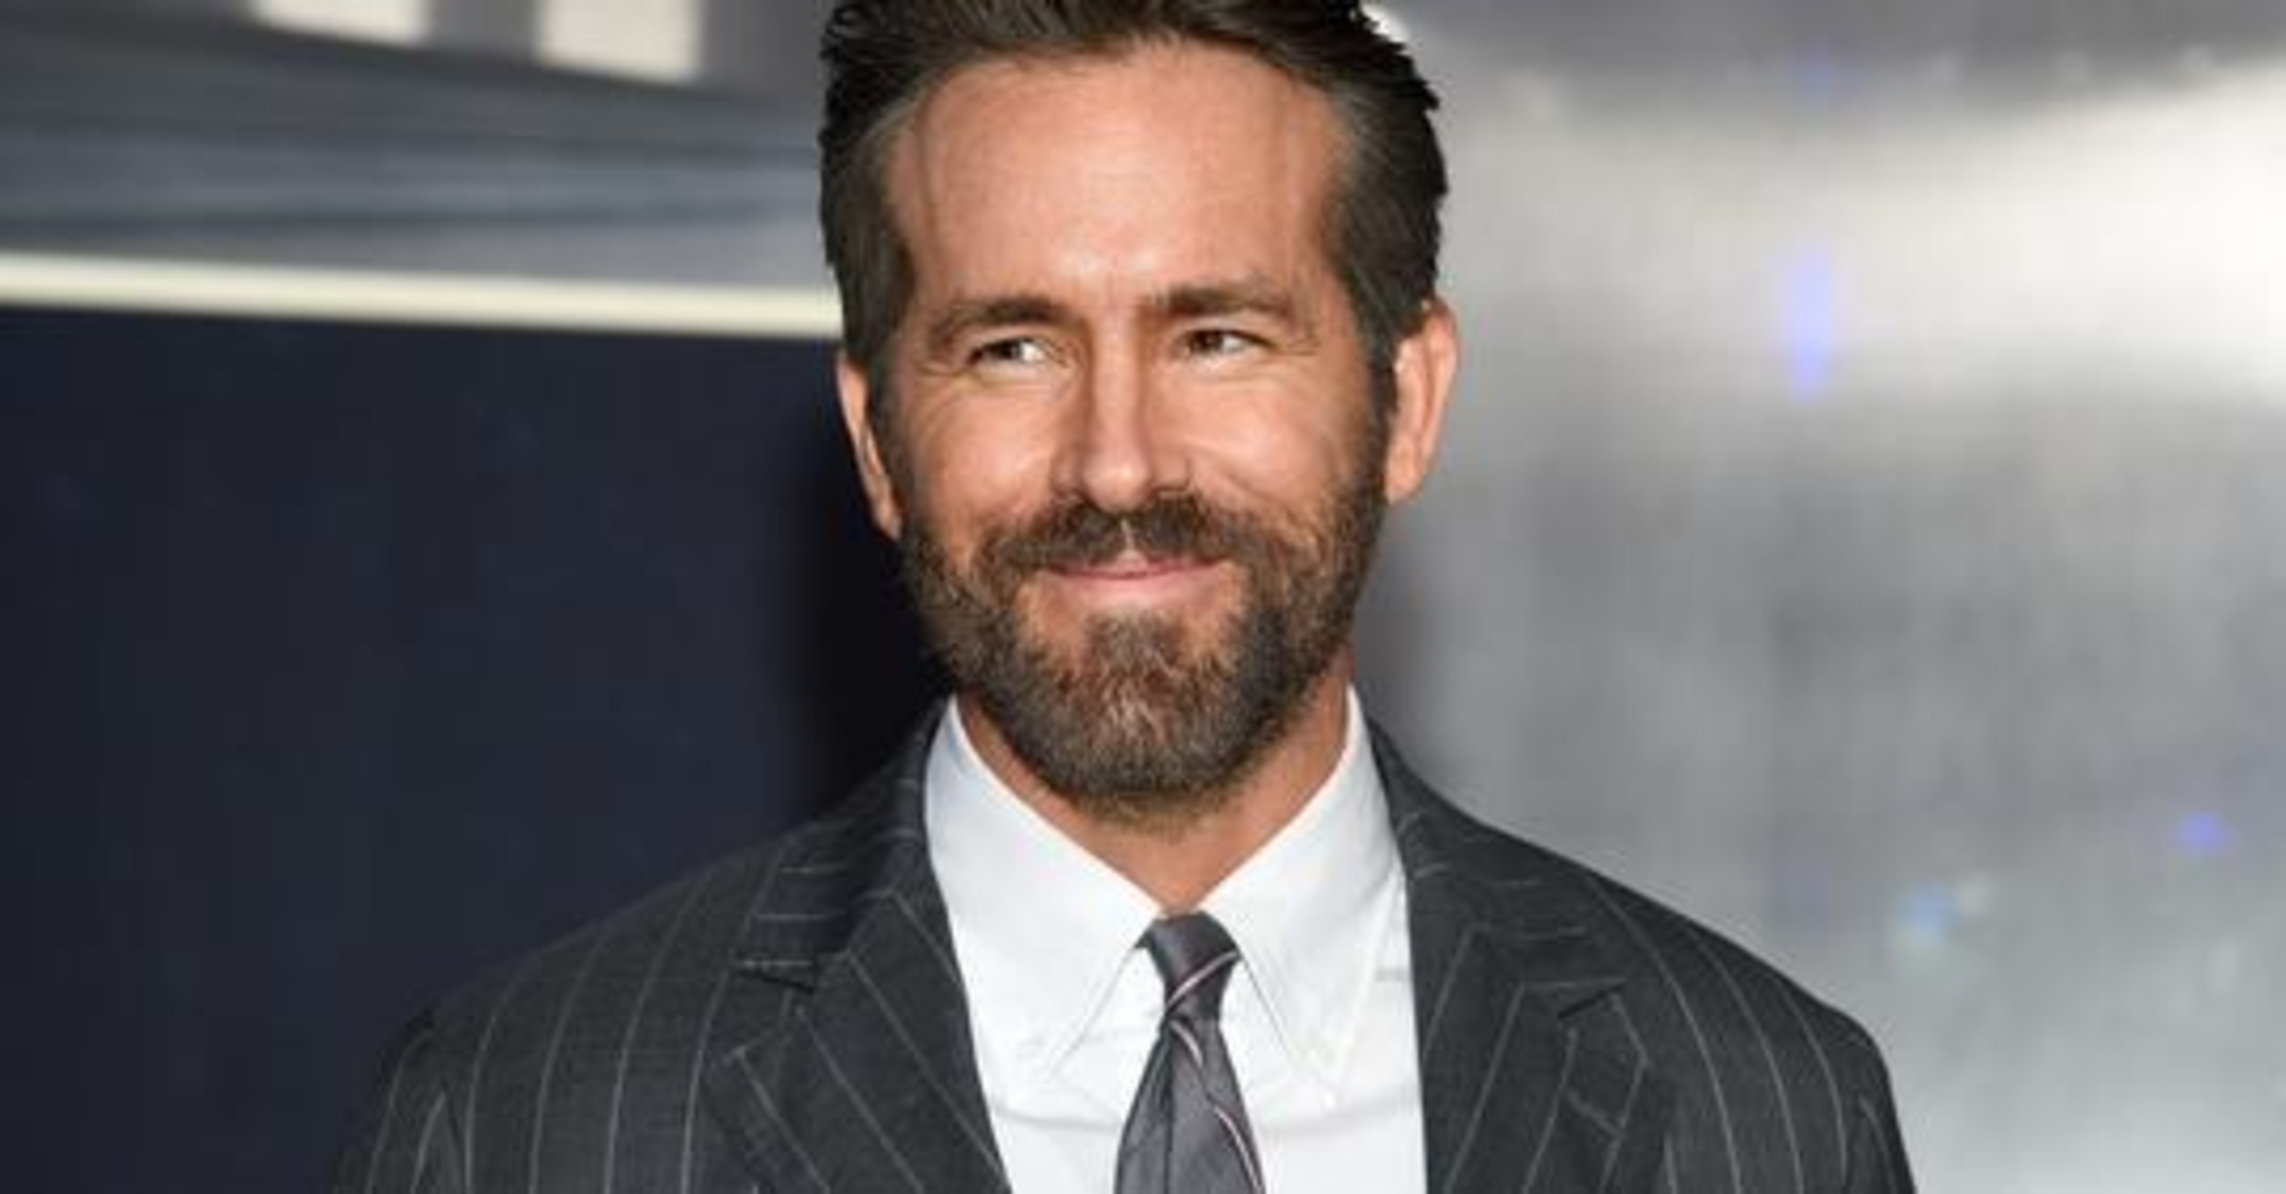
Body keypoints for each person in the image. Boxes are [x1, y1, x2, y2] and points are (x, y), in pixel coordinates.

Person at [334, 1, 1914, 1190]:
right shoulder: (535, 1119)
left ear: (1407, 398)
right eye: (1011, 346)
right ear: (876, 438)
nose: (1114, 461)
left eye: (1216, 336)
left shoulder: (1754, 1113)